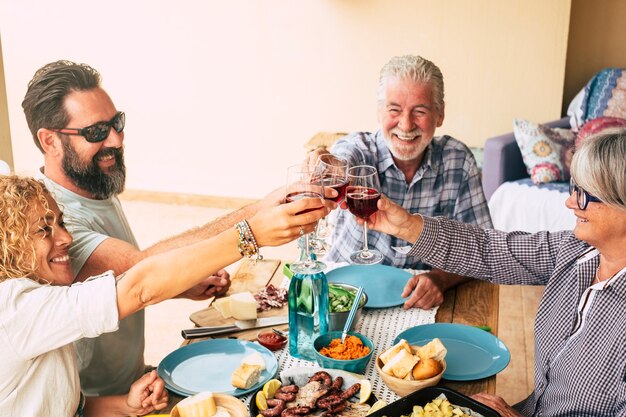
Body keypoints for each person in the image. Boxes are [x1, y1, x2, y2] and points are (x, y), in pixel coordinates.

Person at [20, 60, 294, 395]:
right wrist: (254, 223)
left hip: (135, 383)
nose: (116, 140)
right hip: (96, 403)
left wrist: (180, 284)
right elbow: (140, 271)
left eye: (116, 123)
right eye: (96, 132)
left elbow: (115, 282)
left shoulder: (91, 182)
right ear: (49, 141)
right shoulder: (54, 220)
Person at [0, 175, 328, 416]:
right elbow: (139, 286)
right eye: (44, 229)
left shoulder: (39, 300)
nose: (66, 238)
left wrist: (126, 406)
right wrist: (250, 235)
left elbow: (70, 407)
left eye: (60, 223)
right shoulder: (14, 308)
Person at [358, 130, 626, 416]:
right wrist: (406, 226)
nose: (570, 202)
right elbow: (488, 250)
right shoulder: (574, 250)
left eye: (585, 194)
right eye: (574, 187)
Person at [308, 55, 492, 309]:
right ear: (379, 113)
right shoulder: (358, 149)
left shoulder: (458, 161)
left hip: (416, 301)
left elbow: (481, 249)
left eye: (420, 111)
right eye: (394, 110)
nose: (406, 125)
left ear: (440, 115)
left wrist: (441, 278)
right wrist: (327, 163)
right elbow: (340, 160)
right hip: (343, 294)